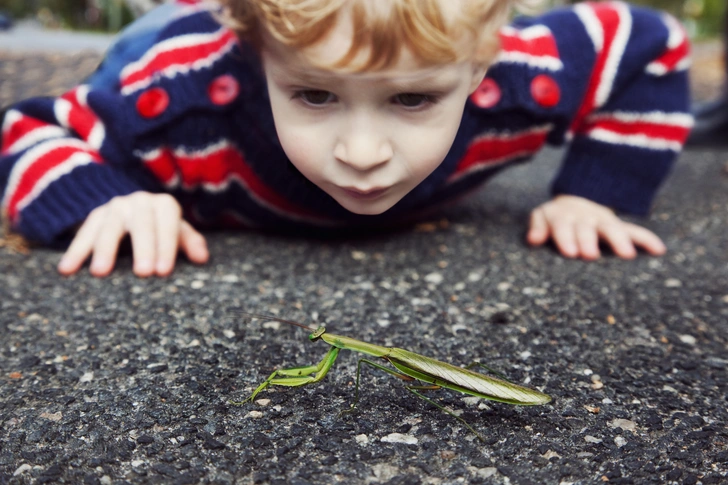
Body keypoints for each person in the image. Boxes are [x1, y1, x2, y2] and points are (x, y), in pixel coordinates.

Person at [0, 0, 693, 278]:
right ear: (259, 59)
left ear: (483, 62)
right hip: (174, 40)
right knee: (144, 46)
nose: (363, 153)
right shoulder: (175, 104)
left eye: (413, 97)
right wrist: (101, 195)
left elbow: (652, 45)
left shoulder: (524, 71)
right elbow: (28, 127)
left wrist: (597, 191)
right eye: (316, 94)